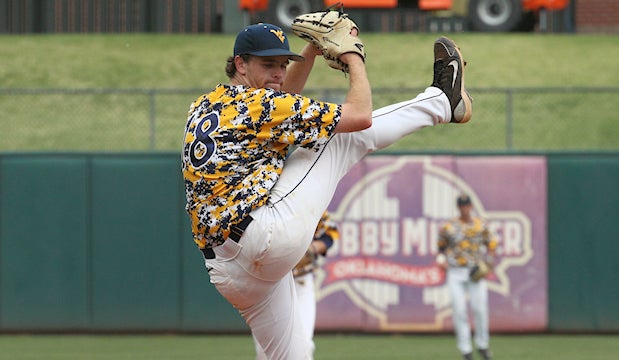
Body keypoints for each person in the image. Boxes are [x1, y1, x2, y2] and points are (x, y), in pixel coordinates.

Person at [181, 14, 472, 359]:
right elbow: (359, 116)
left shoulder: (207, 104)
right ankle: (441, 101)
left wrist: (313, 48)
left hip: (229, 273)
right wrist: (353, 57)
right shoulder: (258, 105)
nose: (278, 73)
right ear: (241, 64)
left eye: (283, 64)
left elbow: (280, 101)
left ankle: (441, 102)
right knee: (338, 140)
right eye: (268, 64)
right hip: (263, 239)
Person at [254, 210, 339, 359]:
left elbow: (330, 232)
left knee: (304, 344)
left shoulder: (306, 202)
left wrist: (313, 248)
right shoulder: (262, 204)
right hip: (268, 286)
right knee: (266, 351)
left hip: (300, 283)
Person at [436, 194, 498, 360]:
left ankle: (483, 345)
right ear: (459, 207)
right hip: (455, 271)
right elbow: (441, 247)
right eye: (462, 205)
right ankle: (466, 350)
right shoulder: (449, 227)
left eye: (467, 205)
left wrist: (489, 261)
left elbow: (491, 243)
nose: (465, 208)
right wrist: (441, 260)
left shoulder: (480, 225)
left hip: (475, 271)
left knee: (480, 309)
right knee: (459, 310)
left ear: (471, 206)